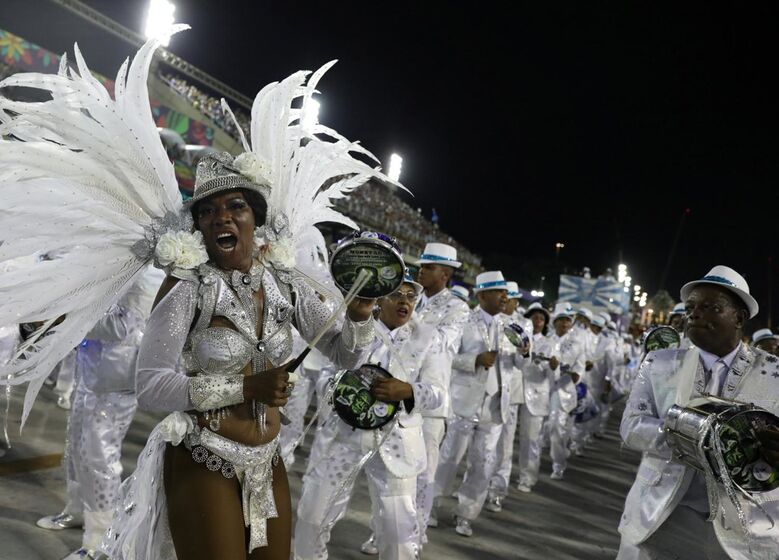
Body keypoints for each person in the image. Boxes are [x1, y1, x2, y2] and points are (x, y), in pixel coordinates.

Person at [617, 265, 779, 560]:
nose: (695, 314)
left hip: (742, 529)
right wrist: (693, 434)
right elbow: (631, 427)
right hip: (659, 513)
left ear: (739, 318)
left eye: (710, 307)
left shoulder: (774, 373)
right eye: (691, 307)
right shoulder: (659, 363)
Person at [294, 274, 445, 559]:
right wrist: (346, 390)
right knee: (312, 516)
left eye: (411, 296)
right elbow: (326, 379)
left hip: (397, 443)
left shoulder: (427, 337)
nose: (404, 301)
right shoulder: (354, 327)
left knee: (398, 534)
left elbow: (439, 394)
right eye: (396, 294)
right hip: (344, 435)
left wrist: (408, 391)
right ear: (379, 299)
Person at [36, 266, 164, 560]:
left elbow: (124, 326)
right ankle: (77, 509)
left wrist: (69, 319)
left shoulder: (149, 268)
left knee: (99, 456)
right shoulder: (117, 258)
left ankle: (100, 539)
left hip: (115, 379)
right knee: (77, 447)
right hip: (92, 370)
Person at [432, 271, 523, 537]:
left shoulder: (512, 327)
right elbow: (448, 357)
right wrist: (474, 360)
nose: (505, 297)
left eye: (506, 293)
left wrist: (524, 353)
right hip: (464, 402)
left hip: (494, 406)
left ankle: (466, 514)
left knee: (483, 464)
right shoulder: (465, 320)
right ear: (482, 295)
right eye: (499, 292)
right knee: (449, 459)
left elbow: (519, 366)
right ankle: (431, 505)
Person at [407, 242, 469, 543]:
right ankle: (384, 533)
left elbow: (441, 343)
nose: (421, 270)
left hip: (431, 400)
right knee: (393, 473)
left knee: (423, 473)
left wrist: (405, 317)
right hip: (401, 392)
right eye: (422, 266)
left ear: (445, 274)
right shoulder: (410, 298)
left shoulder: (458, 308)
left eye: (429, 267)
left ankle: (415, 536)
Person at [486, 281, 531, 511]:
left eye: (509, 299)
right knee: (484, 446)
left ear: (516, 301)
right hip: (487, 391)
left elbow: (523, 364)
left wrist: (525, 352)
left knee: (504, 447)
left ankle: (497, 491)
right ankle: (479, 486)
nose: (505, 302)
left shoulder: (524, 325)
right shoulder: (491, 319)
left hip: (510, 395)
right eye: (503, 297)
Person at [545, 302, 586, 480]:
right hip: (541, 390)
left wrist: (566, 370)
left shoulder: (576, 344)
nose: (564, 324)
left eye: (568, 321)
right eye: (561, 320)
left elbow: (578, 372)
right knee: (545, 430)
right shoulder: (546, 340)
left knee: (556, 428)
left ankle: (558, 464)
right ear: (554, 322)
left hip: (563, 392)